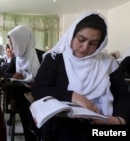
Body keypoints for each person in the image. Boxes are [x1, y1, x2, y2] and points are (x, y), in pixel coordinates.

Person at [32, 11, 130, 141]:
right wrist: (74, 96)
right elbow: (39, 89)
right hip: (63, 126)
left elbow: (123, 95)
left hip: (104, 126)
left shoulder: (108, 63)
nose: (85, 47)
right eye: (81, 39)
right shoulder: (55, 58)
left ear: (100, 44)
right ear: (72, 34)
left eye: (93, 43)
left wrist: (119, 121)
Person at [3, 25, 45, 141]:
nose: (11, 48)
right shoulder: (16, 59)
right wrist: (13, 75)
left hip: (40, 95)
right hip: (23, 96)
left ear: (22, 41)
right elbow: (5, 72)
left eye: (13, 44)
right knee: (28, 119)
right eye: (10, 44)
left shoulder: (42, 56)